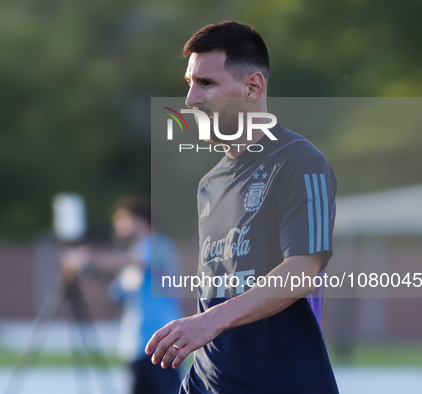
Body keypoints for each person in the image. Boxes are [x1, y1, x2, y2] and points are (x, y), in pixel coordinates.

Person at [145, 22, 339, 393]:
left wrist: (208, 322)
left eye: (206, 83)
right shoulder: (210, 184)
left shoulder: (299, 162)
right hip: (206, 384)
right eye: (189, 83)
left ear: (252, 87)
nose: (190, 100)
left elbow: (302, 272)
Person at [63, 196, 183, 394]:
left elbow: (136, 261)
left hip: (163, 346)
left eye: (122, 219)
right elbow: (111, 301)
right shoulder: (130, 261)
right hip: (136, 349)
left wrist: (90, 257)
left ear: (139, 220)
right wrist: (89, 274)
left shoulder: (159, 245)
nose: (117, 225)